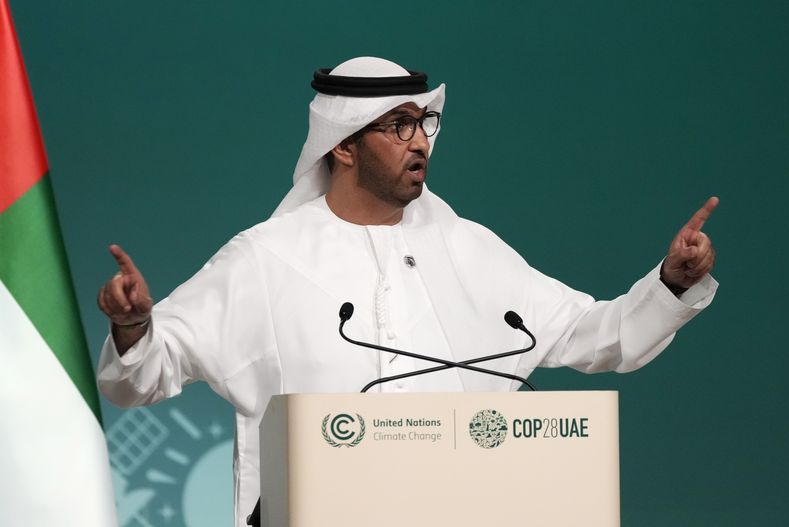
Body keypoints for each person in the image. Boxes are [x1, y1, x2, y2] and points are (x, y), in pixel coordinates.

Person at [96, 57, 718, 526]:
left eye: (424, 123)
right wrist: (133, 329)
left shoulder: (470, 250)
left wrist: (670, 284)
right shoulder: (264, 258)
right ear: (341, 144)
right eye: (398, 126)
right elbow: (145, 373)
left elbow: (598, 335)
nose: (421, 141)